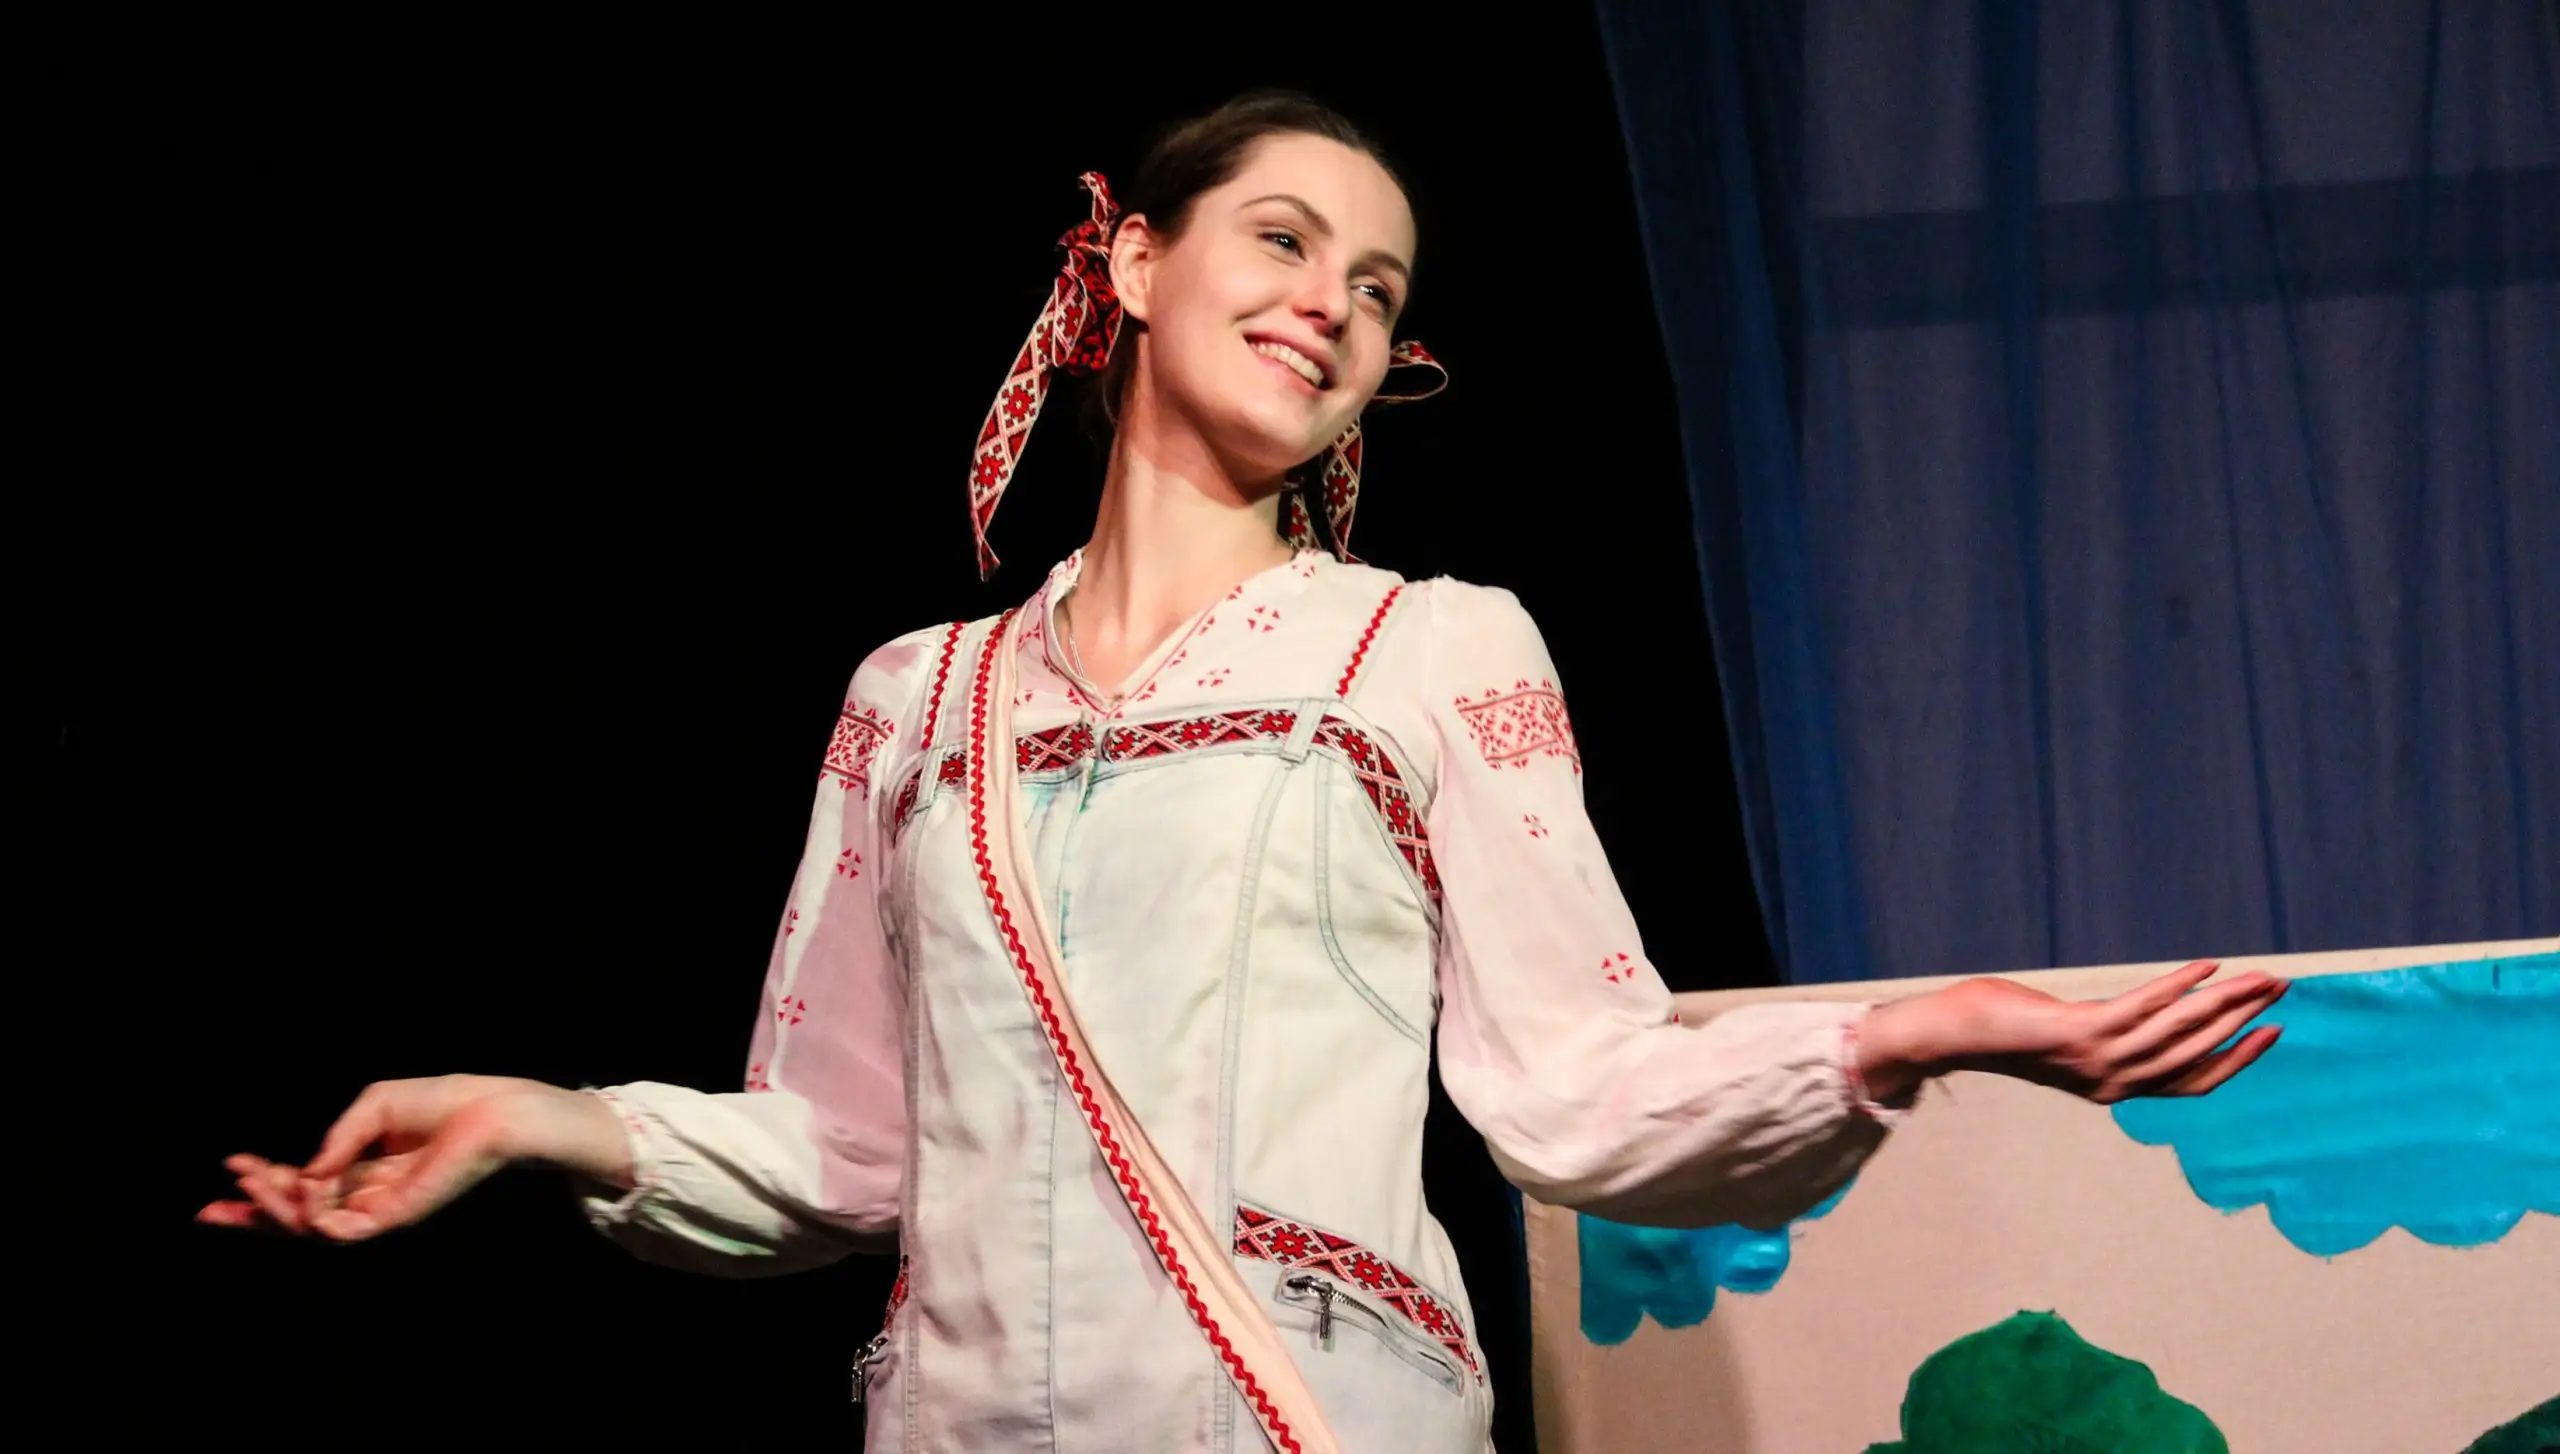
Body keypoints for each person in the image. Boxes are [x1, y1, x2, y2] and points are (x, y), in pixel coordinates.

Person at [200, 91, 2289, 1453]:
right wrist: (539, 1118)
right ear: (1127, 265)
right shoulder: (912, 699)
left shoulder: (1429, 646)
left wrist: (1913, 1032)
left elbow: (1577, 1084)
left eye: (1376, 289)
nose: (1331, 306)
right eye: (1283, 242)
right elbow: (846, 1150)